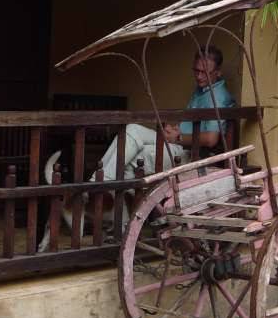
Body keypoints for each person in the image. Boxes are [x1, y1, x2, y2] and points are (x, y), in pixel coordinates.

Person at [38, 46, 235, 249]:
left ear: (217, 72)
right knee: (132, 130)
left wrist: (178, 137)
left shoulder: (217, 96)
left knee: (135, 157)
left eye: (205, 72)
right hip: (177, 143)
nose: (199, 76)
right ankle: (98, 184)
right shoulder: (201, 91)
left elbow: (211, 139)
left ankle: (108, 200)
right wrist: (173, 130)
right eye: (196, 70)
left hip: (189, 155)